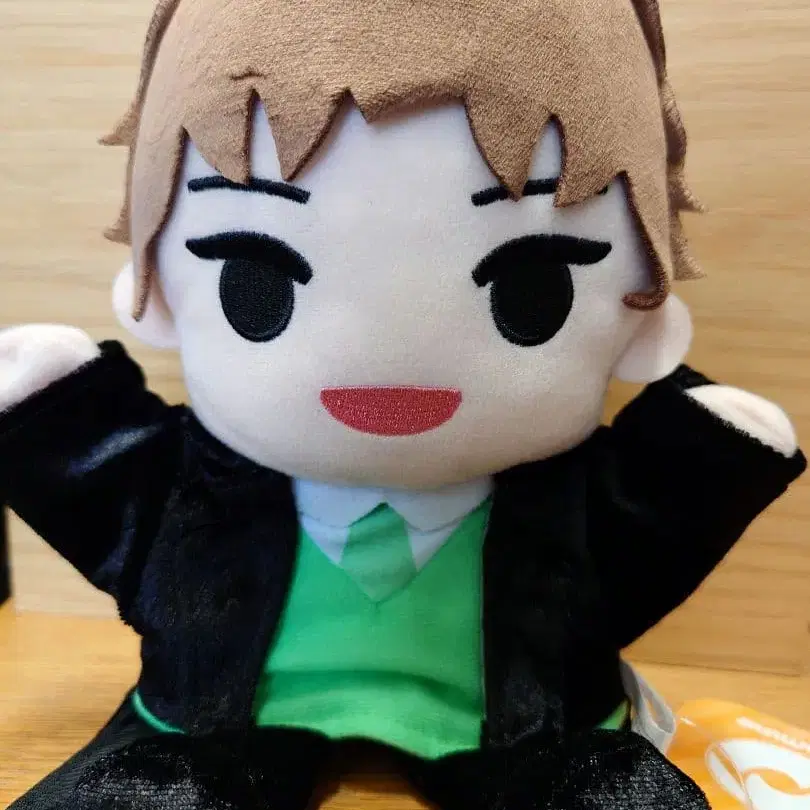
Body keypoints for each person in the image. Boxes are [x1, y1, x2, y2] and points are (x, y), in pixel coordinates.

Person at [1, 1, 805, 808]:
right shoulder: (200, 494)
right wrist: (53, 413)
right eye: (257, 284)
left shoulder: (561, 508)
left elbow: (637, 541)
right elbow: (113, 496)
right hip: (211, 726)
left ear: (641, 315)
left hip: (528, 734)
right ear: (159, 294)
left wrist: (701, 460)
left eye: (531, 292)